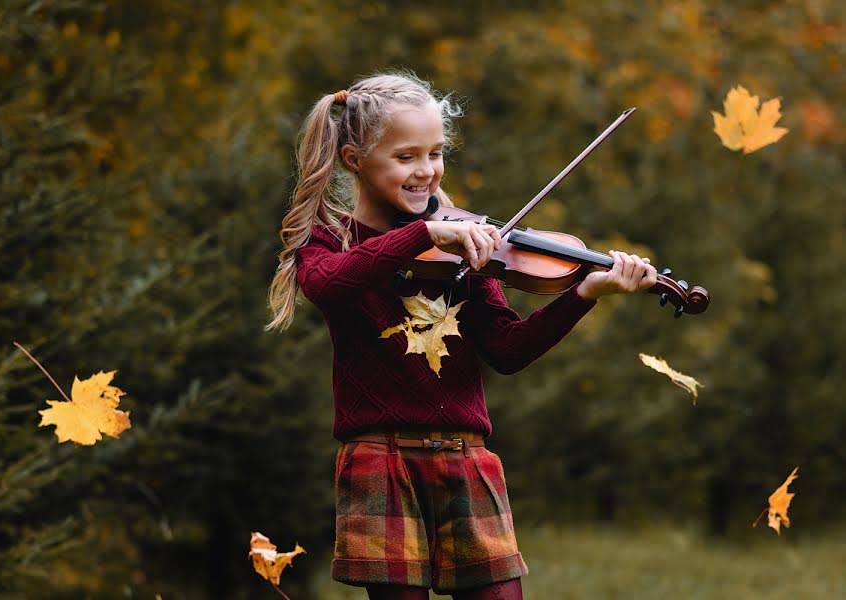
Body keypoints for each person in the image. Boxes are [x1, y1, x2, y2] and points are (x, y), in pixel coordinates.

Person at [266, 73, 657, 600]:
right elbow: (329, 285)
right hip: (382, 460)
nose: (426, 171)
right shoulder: (329, 241)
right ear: (354, 159)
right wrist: (423, 233)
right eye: (406, 157)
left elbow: (508, 349)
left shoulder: (466, 241)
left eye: (435, 153)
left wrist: (584, 294)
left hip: (466, 459)